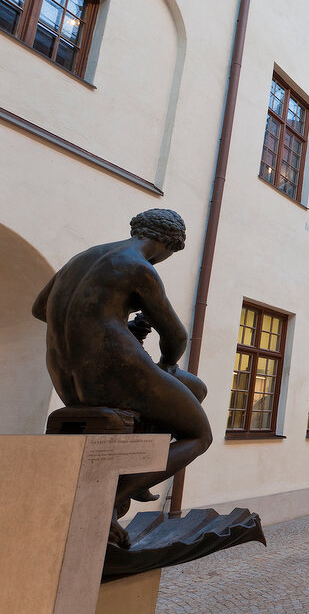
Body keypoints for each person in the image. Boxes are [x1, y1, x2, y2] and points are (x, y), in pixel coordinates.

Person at [32, 209, 212, 548]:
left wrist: (115, 322)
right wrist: (168, 365)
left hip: (67, 375)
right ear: (168, 244)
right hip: (116, 371)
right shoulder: (140, 267)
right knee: (199, 434)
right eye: (170, 254)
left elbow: (40, 309)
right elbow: (176, 336)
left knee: (194, 388)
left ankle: (137, 467)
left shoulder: (80, 259)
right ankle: (110, 496)